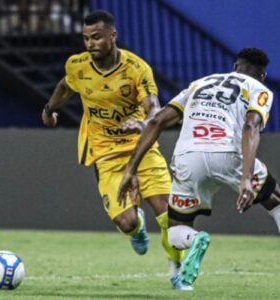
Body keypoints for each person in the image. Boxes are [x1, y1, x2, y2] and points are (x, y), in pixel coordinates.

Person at [41, 10, 188, 290]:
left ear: (112, 36)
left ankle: (176, 270)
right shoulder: (77, 66)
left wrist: (142, 122)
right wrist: (49, 109)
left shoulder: (136, 68)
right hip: (105, 154)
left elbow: (154, 109)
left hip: (140, 149)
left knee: (168, 213)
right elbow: (65, 86)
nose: (90, 43)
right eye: (86, 38)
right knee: (126, 221)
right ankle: (136, 227)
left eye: (96, 37)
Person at [118, 48, 280, 290]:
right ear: (263, 75)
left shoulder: (199, 84)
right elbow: (251, 126)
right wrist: (246, 178)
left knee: (175, 230)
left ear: (235, 67)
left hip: (188, 158)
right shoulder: (260, 89)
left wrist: (131, 169)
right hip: (228, 154)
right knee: (276, 201)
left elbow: (156, 121)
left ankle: (194, 240)